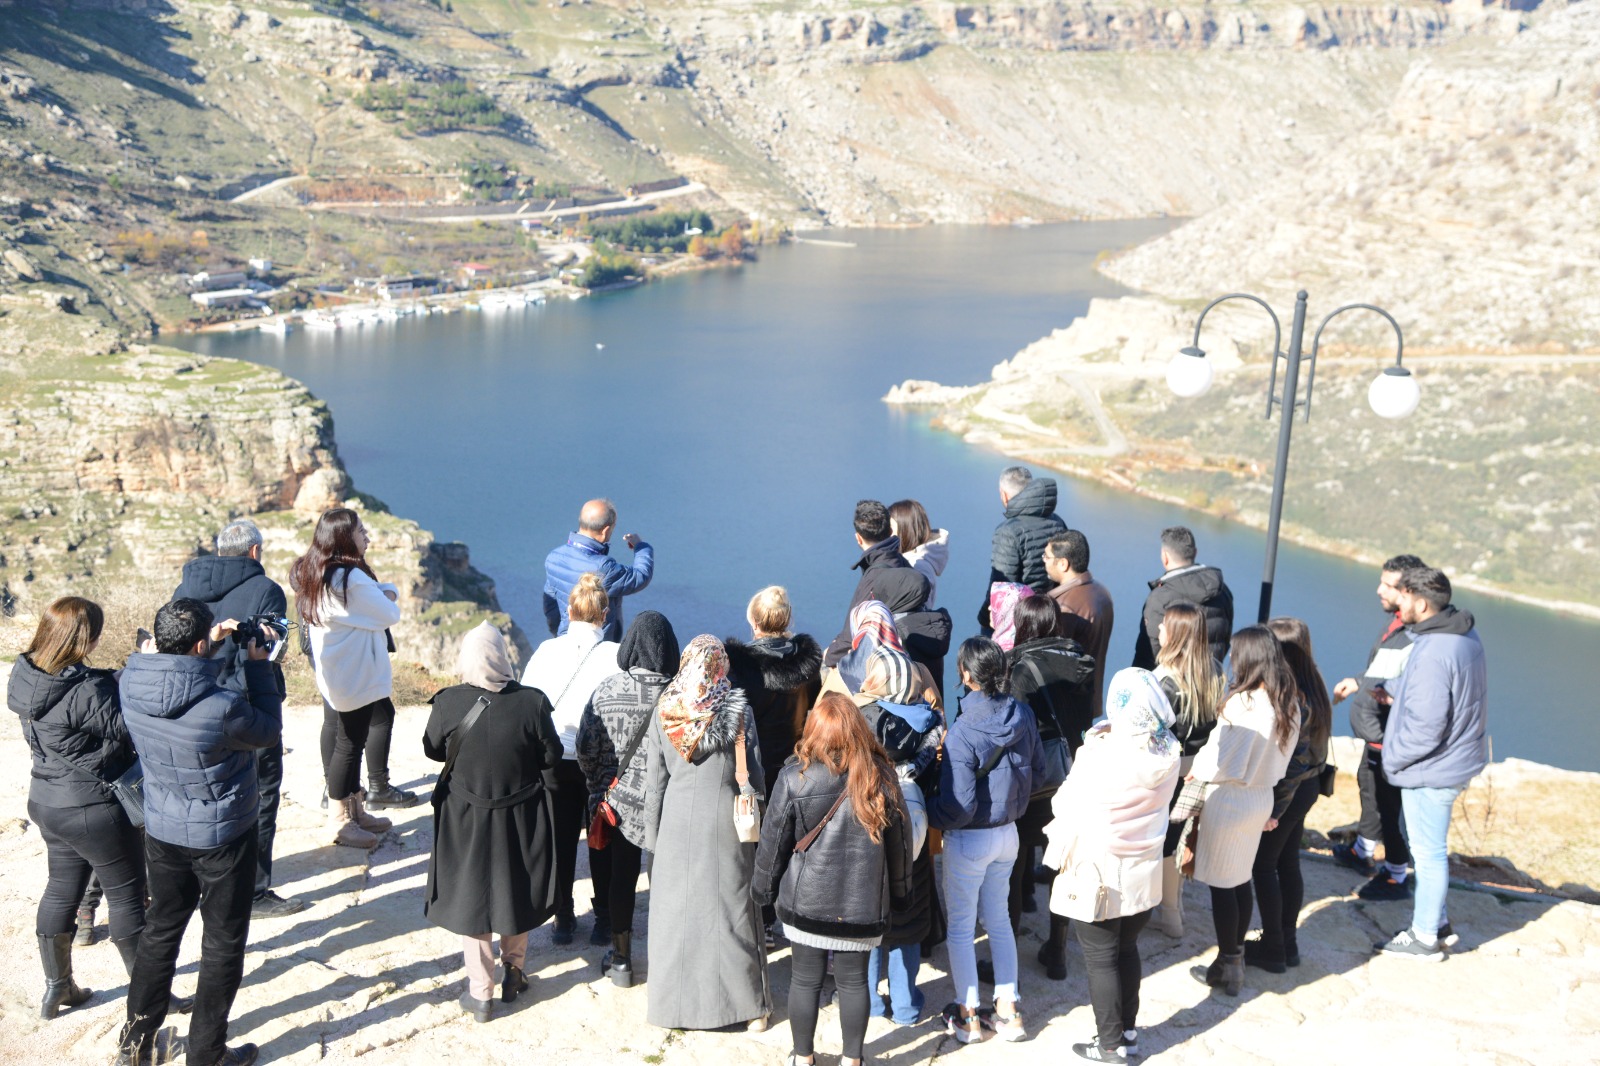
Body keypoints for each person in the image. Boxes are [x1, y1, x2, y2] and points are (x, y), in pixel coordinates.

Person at [115, 598, 282, 1066]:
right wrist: (258, 668)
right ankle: (206, 1053)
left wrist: (211, 644)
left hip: (163, 828)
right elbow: (267, 731)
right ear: (196, 645)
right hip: (223, 836)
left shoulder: (130, 682)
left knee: (162, 930)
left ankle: (135, 1044)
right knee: (222, 942)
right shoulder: (223, 707)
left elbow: (172, 672)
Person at [8, 597, 166, 1021]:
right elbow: (129, 723)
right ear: (85, 638)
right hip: (92, 808)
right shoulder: (82, 690)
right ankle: (151, 999)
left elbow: (87, 696)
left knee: (60, 890)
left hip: (47, 801)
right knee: (129, 898)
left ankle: (58, 989)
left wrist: (127, 668)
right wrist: (146, 668)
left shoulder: (27, 674)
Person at [753, 692, 914, 1066]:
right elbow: (900, 846)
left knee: (805, 980)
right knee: (855, 983)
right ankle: (852, 1060)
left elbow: (773, 841)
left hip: (806, 902)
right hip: (861, 906)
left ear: (815, 729)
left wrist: (763, 890)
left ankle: (803, 1057)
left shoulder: (795, 776)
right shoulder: (883, 776)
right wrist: (902, 895)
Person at [1041, 668, 1182, 1063]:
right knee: (1127, 950)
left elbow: (1064, 804)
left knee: (1100, 959)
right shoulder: (1168, 750)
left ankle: (1109, 1046)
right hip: (1142, 868)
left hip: (1098, 869)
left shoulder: (1099, 753)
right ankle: (1128, 1033)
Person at [423, 623, 562, 1023]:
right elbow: (551, 756)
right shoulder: (532, 703)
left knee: (473, 897)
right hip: (519, 815)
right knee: (515, 889)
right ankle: (514, 973)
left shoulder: (448, 702)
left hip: (464, 816)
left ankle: (480, 993)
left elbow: (433, 750)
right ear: (503, 655)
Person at [173, 519, 304, 918]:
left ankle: (201, 878)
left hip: (193, 703)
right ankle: (254, 891)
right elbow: (271, 650)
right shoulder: (265, 590)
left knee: (204, 792)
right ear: (254, 552)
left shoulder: (186, 586)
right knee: (261, 794)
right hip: (246, 705)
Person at [642, 635, 772, 1031]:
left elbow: (655, 784)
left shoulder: (666, 710)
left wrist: (653, 840)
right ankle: (749, 1009)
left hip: (677, 825)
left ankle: (671, 1008)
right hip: (725, 826)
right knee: (732, 915)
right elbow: (756, 774)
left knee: (674, 919)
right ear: (721, 667)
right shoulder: (738, 712)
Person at [930, 637, 1045, 1044]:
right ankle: (1009, 1012)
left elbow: (959, 806)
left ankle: (968, 1017)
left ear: (965, 675)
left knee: (961, 929)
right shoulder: (1024, 714)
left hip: (970, 838)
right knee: (999, 920)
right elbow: (1040, 769)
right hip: (1008, 835)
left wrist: (931, 812)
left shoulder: (961, 732)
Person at [1378, 566, 1487, 961]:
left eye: (1403, 597)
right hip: (1453, 760)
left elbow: (1425, 728)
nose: (1398, 604)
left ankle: (1424, 938)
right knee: (1431, 850)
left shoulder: (1435, 652)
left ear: (1421, 603)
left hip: (1431, 768)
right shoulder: (1461, 635)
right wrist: (1392, 690)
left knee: (1428, 854)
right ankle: (1436, 921)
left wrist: (1393, 759)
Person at [1187, 626, 1299, 997]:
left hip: (1231, 798)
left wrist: (1193, 775)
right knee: (1239, 879)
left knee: (1223, 885)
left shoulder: (1244, 703)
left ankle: (1229, 963)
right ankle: (1231, 961)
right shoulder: (1288, 702)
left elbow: (1225, 762)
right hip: (1260, 797)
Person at [290, 508, 406, 851]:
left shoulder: (319, 572)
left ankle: (356, 809)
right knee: (349, 743)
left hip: (339, 671)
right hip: (354, 675)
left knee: (351, 740)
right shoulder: (349, 581)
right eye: (360, 530)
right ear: (343, 537)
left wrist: (379, 594)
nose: (366, 534)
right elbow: (388, 614)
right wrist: (388, 592)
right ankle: (340, 820)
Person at [576, 610, 681, 986]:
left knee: (622, 878)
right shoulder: (681, 695)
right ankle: (670, 958)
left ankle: (621, 959)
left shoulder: (607, 689)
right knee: (670, 883)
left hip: (619, 806)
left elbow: (585, 747)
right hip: (670, 806)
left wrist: (598, 785)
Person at [521, 572, 622, 946]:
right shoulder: (615, 655)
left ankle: (563, 917)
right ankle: (605, 920)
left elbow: (528, 700)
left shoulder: (547, 652)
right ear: (605, 614)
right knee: (601, 838)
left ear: (569, 611)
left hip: (555, 759)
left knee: (560, 840)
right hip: (600, 761)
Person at [852, 647, 945, 1028]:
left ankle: (872, 1000)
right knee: (906, 925)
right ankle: (906, 1005)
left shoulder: (859, 721)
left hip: (868, 832)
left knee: (872, 923)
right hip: (913, 838)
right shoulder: (931, 724)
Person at [1007, 594, 1096, 979]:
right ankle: (1057, 951)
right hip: (1073, 777)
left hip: (1033, 780)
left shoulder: (1018, 668)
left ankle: (1006, 954)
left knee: (1014, 864)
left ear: (1023, 625)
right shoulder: (1080, 661)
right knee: (1062, 864)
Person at [1331, 554, 1427, 901]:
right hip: (1378, 737)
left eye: (1388, 585)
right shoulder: (1399, 625)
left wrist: (1378, 733)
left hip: (1389, 740)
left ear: (1408, 590)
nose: (1378, 590)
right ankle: (1363, 849)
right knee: (1370, 791)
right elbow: (1382, 672)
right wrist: (1358, 681)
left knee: (1390, 807)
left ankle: (1396, 877)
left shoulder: (1414, 635)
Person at [1247, 617, 1332, 972]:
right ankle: (1287, 943)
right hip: (1308, 788)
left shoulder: (1294, 696)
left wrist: (1274, 811)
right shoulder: (1315, 683)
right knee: (1287, 863)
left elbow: (1291, 766)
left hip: (1290, 792)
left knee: (1263, 866)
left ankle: (1273, 948)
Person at [1149, 603, 1225, 938]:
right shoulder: (1216, 671)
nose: (1159, 631)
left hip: (1167, 770)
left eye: (1164, 626)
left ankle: (1167, 915)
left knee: (1160, 840)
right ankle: (1174, 908)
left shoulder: (1164, 680)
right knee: (1177, 838)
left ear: (1176, 634)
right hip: (1199, 768)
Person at [724, 586, 824, 799]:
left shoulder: (739, 667)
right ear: (787, 619)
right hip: (796, 767)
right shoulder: (808, 664)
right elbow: (814, 708)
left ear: (754, 622)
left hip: (751, 769)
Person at [823, 500, 930, 667]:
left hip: (880, 665)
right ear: (889, 530)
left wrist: (828, 658)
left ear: (858, 538)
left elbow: (851, 634)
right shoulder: (901, 563)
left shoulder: (875, 576)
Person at [542, 498, 654, 642]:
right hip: (598, 644)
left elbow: (550, 606)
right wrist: (641, 547)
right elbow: (640, 576)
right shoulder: (603, 568)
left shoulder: (554, 557)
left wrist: (559, 634)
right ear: (606, 530)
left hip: (566, 639)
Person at [1132, 526, 1234, 670]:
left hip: (1169, 687)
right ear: (1195, 552)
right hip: (1209, 682)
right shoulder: (1222, 591)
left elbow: (1147, 654)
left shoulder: (1160, 598)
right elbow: (1225, 640)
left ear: (1165, 557)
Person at [979, 466, 1066, 632]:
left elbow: (1001, 586)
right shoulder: (1058, 522)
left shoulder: (1008, 531)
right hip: (1049, 614)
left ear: (1004, 495)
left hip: (1019, 618)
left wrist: (983, 619)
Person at [1043, 530, 1115, 720]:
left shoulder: (1065, 606)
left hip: (1065, 705)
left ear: (1063, 563)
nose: (1043, 560)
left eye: (1047, 556)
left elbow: (1052, 663)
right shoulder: (1101, 593)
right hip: (1090, 698)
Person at [890, 499, 950, 608]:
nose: (887, 534)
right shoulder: (912, 560)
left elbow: (918, 610)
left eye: (890, 529)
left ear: (906, 529)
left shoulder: (918, 565)